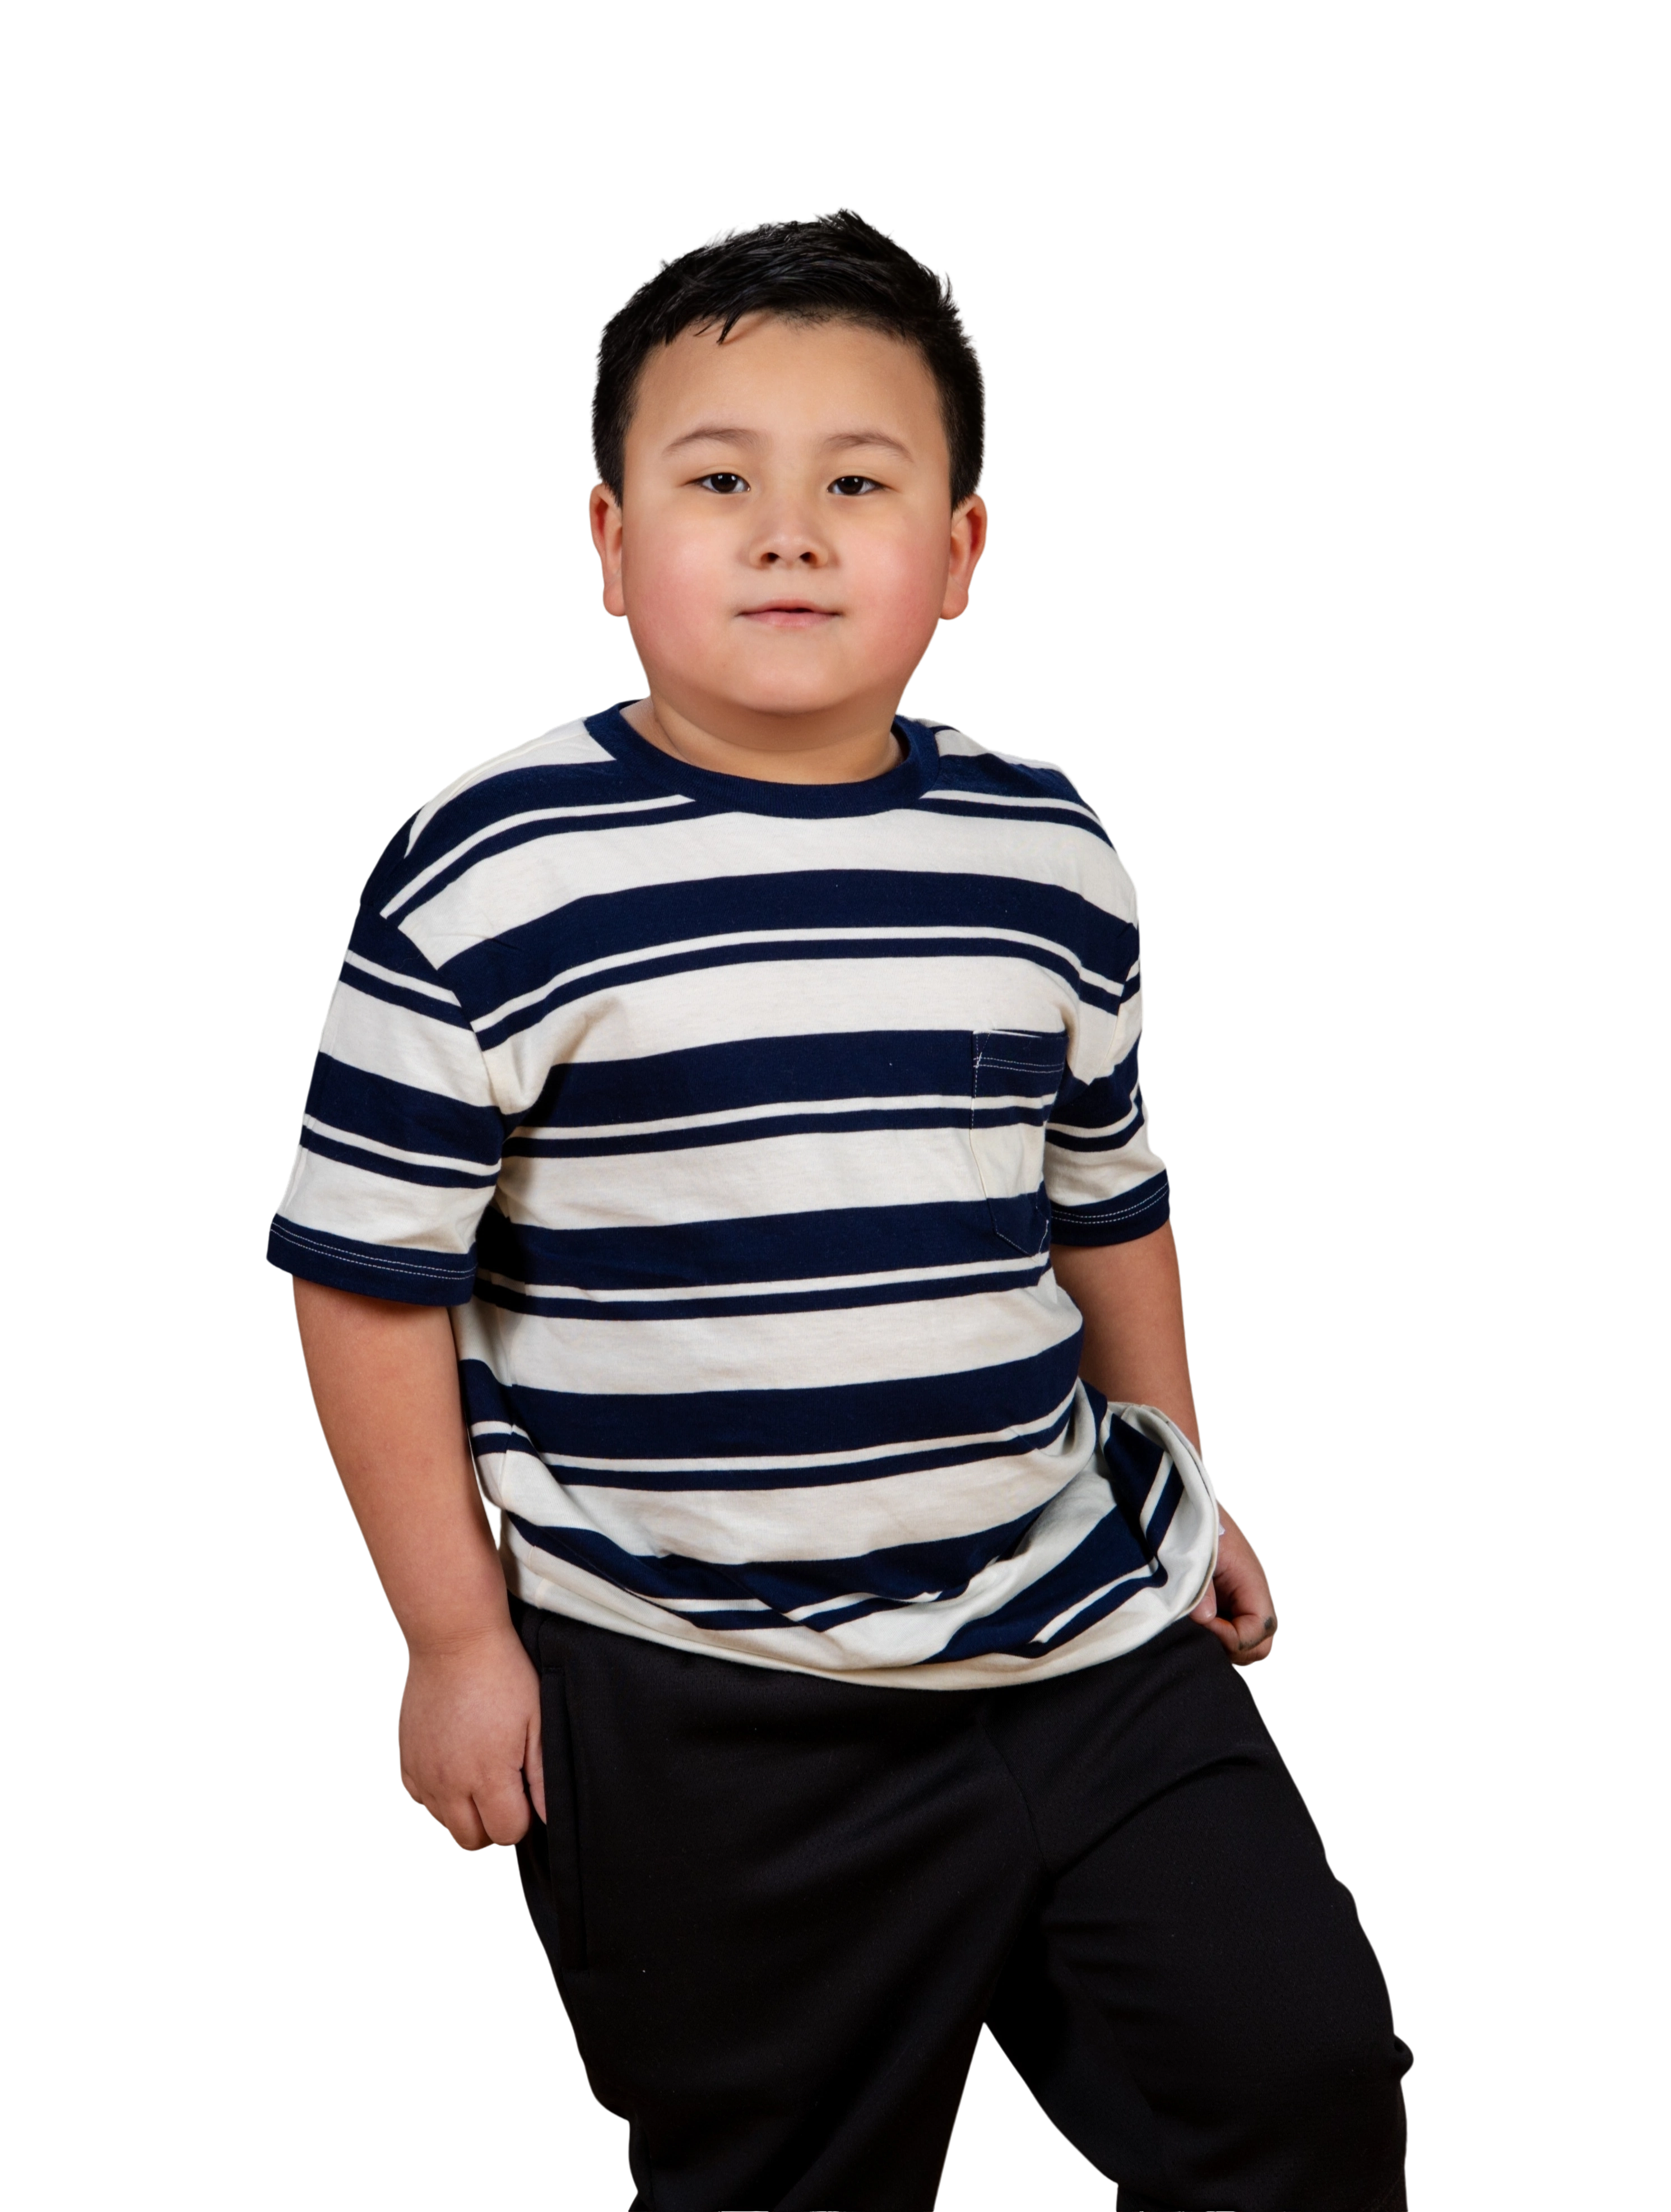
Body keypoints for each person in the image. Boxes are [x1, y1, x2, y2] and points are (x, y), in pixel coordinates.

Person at [266, 206, 1415, 2212]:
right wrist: (452, 1640)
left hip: (1078, 1634)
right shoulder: (496, 868)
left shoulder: (1046, 849)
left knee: (1300, 2072)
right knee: (785, 2179)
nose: (788, 536)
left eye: (858, 485)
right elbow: (370, 1281)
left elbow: (1108, 1196)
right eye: (720, 482)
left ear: (960, 553)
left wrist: (1180, 1476)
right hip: (700, 1692)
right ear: (611, 539)